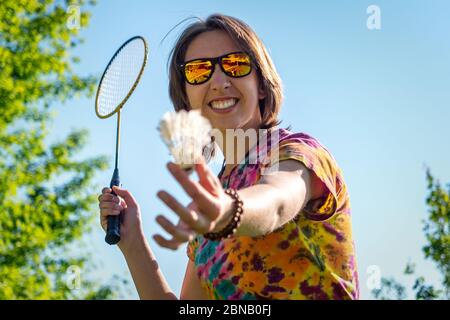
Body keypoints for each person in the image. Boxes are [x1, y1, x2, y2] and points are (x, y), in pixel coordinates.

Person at [98, 14, 359, 300]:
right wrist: (132, 241)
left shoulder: (297, 153)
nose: (219, 81)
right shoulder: (209, 207)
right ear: (186, 98)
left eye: (236, 64)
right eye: (199, 71)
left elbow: (278, 201)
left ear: (261, 84)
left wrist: (229, 211)